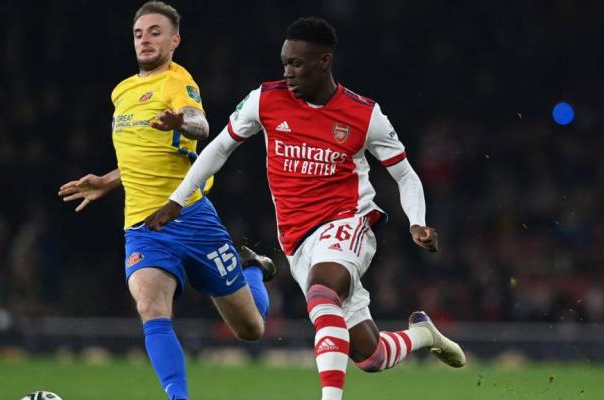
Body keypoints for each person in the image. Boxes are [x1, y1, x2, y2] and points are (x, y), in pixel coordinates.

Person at [146, 16, 466, 400]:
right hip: (297, 241)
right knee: (370, 356)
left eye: (297, 64)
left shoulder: (364, 115)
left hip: (348, 220)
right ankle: (423, 334)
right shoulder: (265, 100)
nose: (288, 72)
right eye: (285, 63)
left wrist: (417, 222)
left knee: (321, 291)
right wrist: (177, 200)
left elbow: (406, 176)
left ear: (324, 61)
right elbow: (218, 148)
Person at [57, 2, 275, 399]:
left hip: (191, 218)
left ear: (174, 41)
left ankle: (253, 268)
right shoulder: (122, 92)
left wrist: (181, 121)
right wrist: (108, 180)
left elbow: (200, 124)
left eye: (155, 32)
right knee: (150, 306)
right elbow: (142, 155)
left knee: (251, 329)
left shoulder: (177, 81)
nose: (145, 39)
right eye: (139, 33)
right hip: (143, 227)